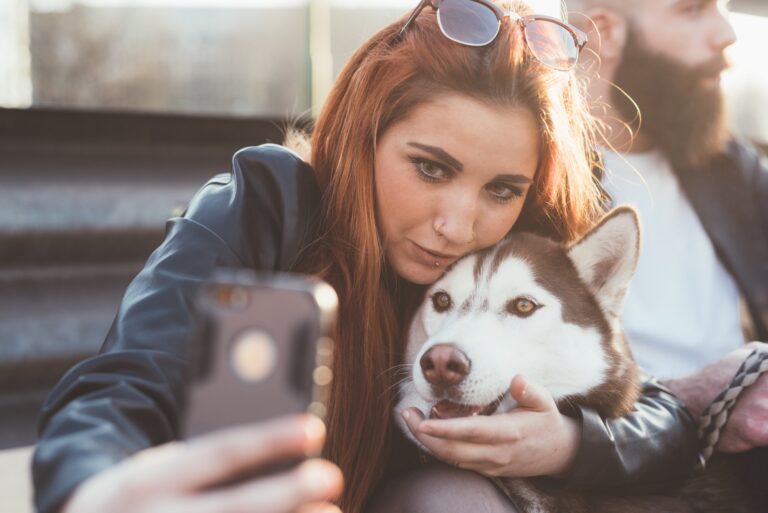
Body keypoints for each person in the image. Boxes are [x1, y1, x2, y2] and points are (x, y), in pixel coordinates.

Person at [32, 2, 701, 513]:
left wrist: (568, 443)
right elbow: (120, 388)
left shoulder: (518, 248)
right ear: (364, 134)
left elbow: (658, 412)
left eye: (501, 188)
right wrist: (94, 488)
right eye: (431, 168)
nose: (459, 225)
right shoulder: (267, 205)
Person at [568, 0, 768, 504]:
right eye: (693, 10)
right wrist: (700, 400)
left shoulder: (727, 166)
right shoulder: (525, 179)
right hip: (619, 471)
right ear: (603, 31)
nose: (726, 33)